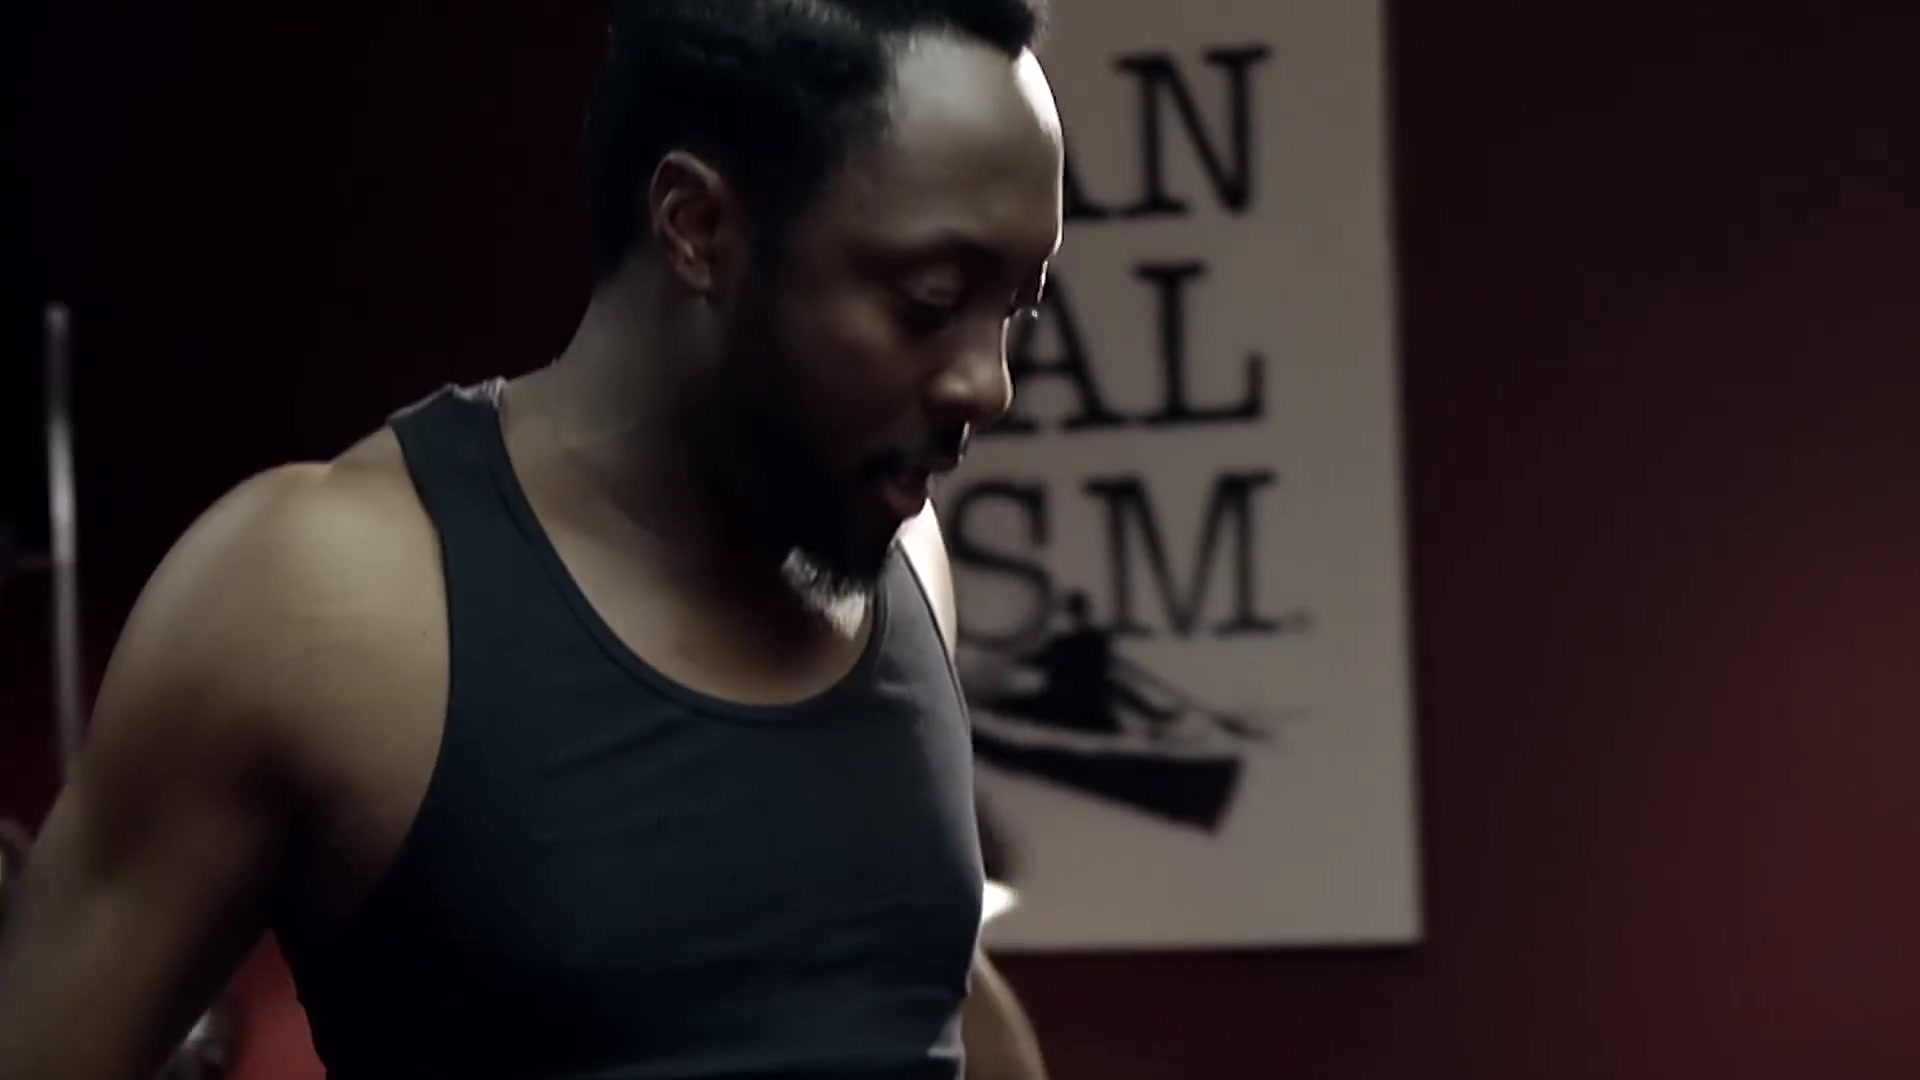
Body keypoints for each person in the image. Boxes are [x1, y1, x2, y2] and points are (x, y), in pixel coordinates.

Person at [0, 1, 1062, 1076]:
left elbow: (913, 1000)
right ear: (698, 227)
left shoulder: (902, 558)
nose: (990, 384)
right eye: (932, 302)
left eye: (1016, 310)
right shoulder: (322, 597)